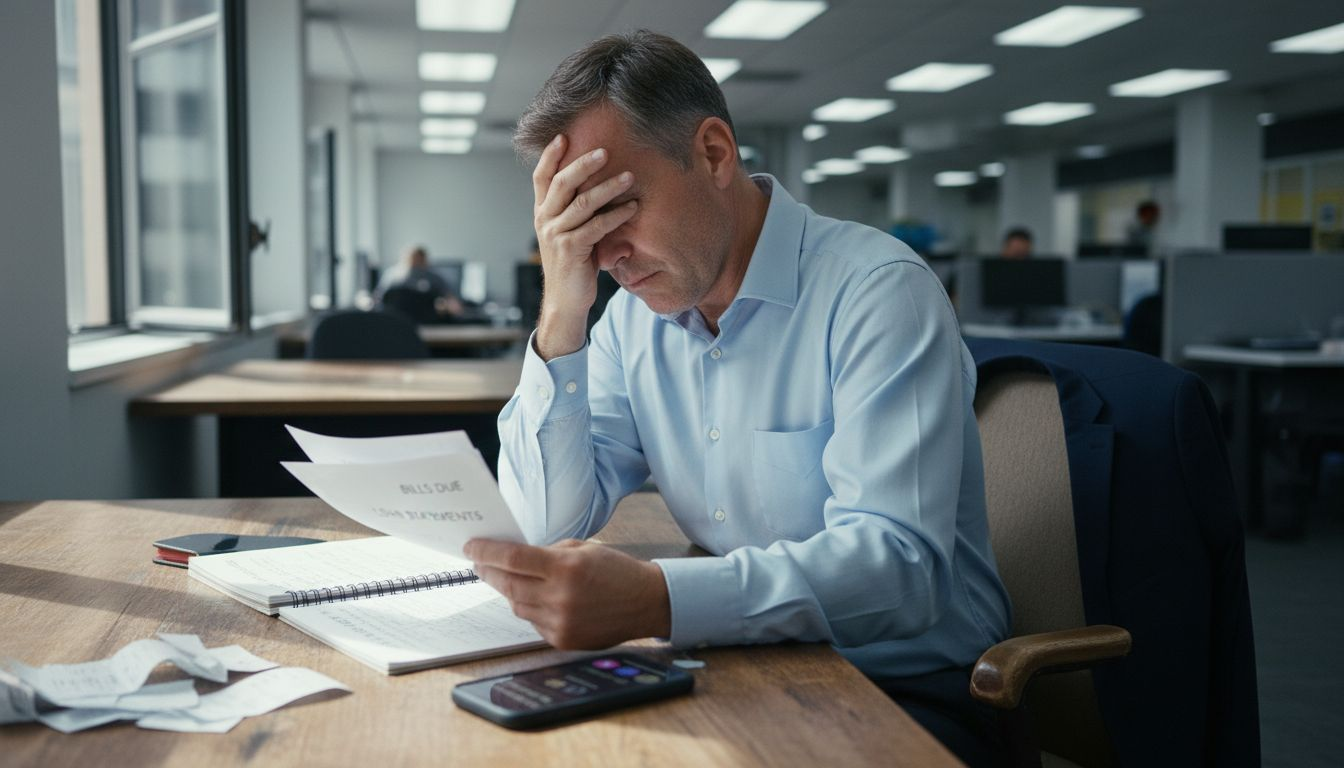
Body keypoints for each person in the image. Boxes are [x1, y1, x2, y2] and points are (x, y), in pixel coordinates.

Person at [465, 31, 1010, 765]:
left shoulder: (879, 293)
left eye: (614, 210)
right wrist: (564, 308)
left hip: (910, 693)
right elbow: (548, 519)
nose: (605, 253)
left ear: (714, 154)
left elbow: (897, 567)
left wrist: (658, 599)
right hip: (747, 666)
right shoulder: (631, 317)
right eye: (577, 227)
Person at [375, 245, 463, 317]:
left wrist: (446, 307)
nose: (415, 264)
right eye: (412, 259)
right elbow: (377, 299)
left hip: (427, 323)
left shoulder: (434, 278)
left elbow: (453, 303)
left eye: (418, 260)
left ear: (424, 260)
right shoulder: (392, 277)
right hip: (397, 322)